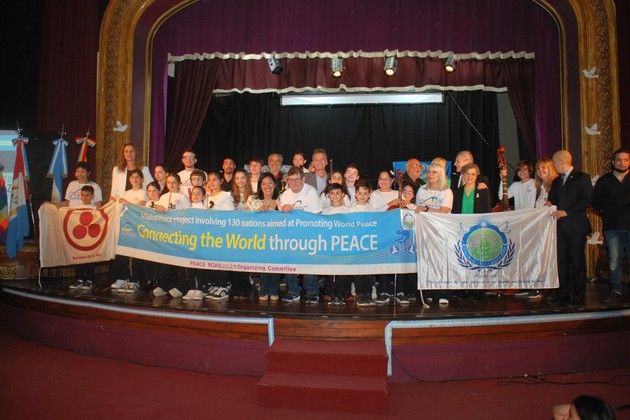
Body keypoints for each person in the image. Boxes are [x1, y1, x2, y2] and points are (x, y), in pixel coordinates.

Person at [547, 150, 593, 307]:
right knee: (561, 264)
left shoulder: (582, 178)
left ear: (561, 162)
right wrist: (549, 205)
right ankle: (562, 296)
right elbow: (552, 200)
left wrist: (566, 212)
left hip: (576, 227)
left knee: (577, 263)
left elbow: (587, 200)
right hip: (560, 228)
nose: (553, 165)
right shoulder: (556, 182)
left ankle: (578, 298)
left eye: (554, 162)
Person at [592, 148, 630, 304]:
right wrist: (606, 211)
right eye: (619, 160)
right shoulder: (604, 180)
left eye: (625, 160)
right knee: (614, 261)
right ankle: (616, 291)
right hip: (612, 227)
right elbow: (594, 201)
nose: (622, 163)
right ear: (613, 162)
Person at [280, 166, 322, 304]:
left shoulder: (311, 192)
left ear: (303, 179)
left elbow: (316, 215)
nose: (294, 182)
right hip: (291, 236)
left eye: (297, 179)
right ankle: (293, 291)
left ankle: (312, 291)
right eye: (291, 180)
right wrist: (283, 211)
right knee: (289, 264)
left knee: (309, 265)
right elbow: (281, 220)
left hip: (308, 235)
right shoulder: (285, 195)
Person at [451, 163, 492, 302]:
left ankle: (477, 290)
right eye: (467, 174)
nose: (469, 176)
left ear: (476, 176)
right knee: (463, 261)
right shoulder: (457, 192)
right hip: (461, 231)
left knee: (477, 261)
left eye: (472, 174)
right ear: (463, 175)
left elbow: (487, 212)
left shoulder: (483, 191)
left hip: (477, 231)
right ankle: (464, 290)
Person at [415, 162, 454, 305]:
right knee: (427, 261)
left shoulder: (446, 191)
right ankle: (429, 291)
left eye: (434, 172)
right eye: (429, 172)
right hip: (425, 230)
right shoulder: (422, 189)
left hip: (441, 230)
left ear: (441, 175)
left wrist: (426, 209)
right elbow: (417, 209)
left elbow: (444, 210)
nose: (430, 175)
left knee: (441, 263)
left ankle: (443, 293)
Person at [246, 173, 281, 302]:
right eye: (264, 183)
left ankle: (274, 290)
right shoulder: (252, 199)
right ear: (260, 186)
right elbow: (246, 218)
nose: (267, 186)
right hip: (260, 238)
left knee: (276, 265)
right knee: (264, 265)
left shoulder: (281, 199)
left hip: (278, 239)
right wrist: (257, 213)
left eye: (270, 182)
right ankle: (264, 290)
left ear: (275, 185)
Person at [204, 171, 236, 301]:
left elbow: (230, 215)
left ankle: (223, 286)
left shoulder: (226, 196)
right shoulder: (207, 196)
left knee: (221, 260)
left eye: (215, 180)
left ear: (221, 181)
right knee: (213, 261)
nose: (212, 183)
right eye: (209, 180)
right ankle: (216, 284)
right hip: (210, 234)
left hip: (222, 233)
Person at [68, 186, 97, 291]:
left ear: (92, 196)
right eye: (83, 195)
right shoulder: (77, 209)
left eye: (87, 195)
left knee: (91, 258)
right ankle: (79, 279)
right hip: (80, 238)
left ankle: (90, 280)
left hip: (91, 238)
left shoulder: (96, 209)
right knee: (79, 258)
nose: (85, 198)